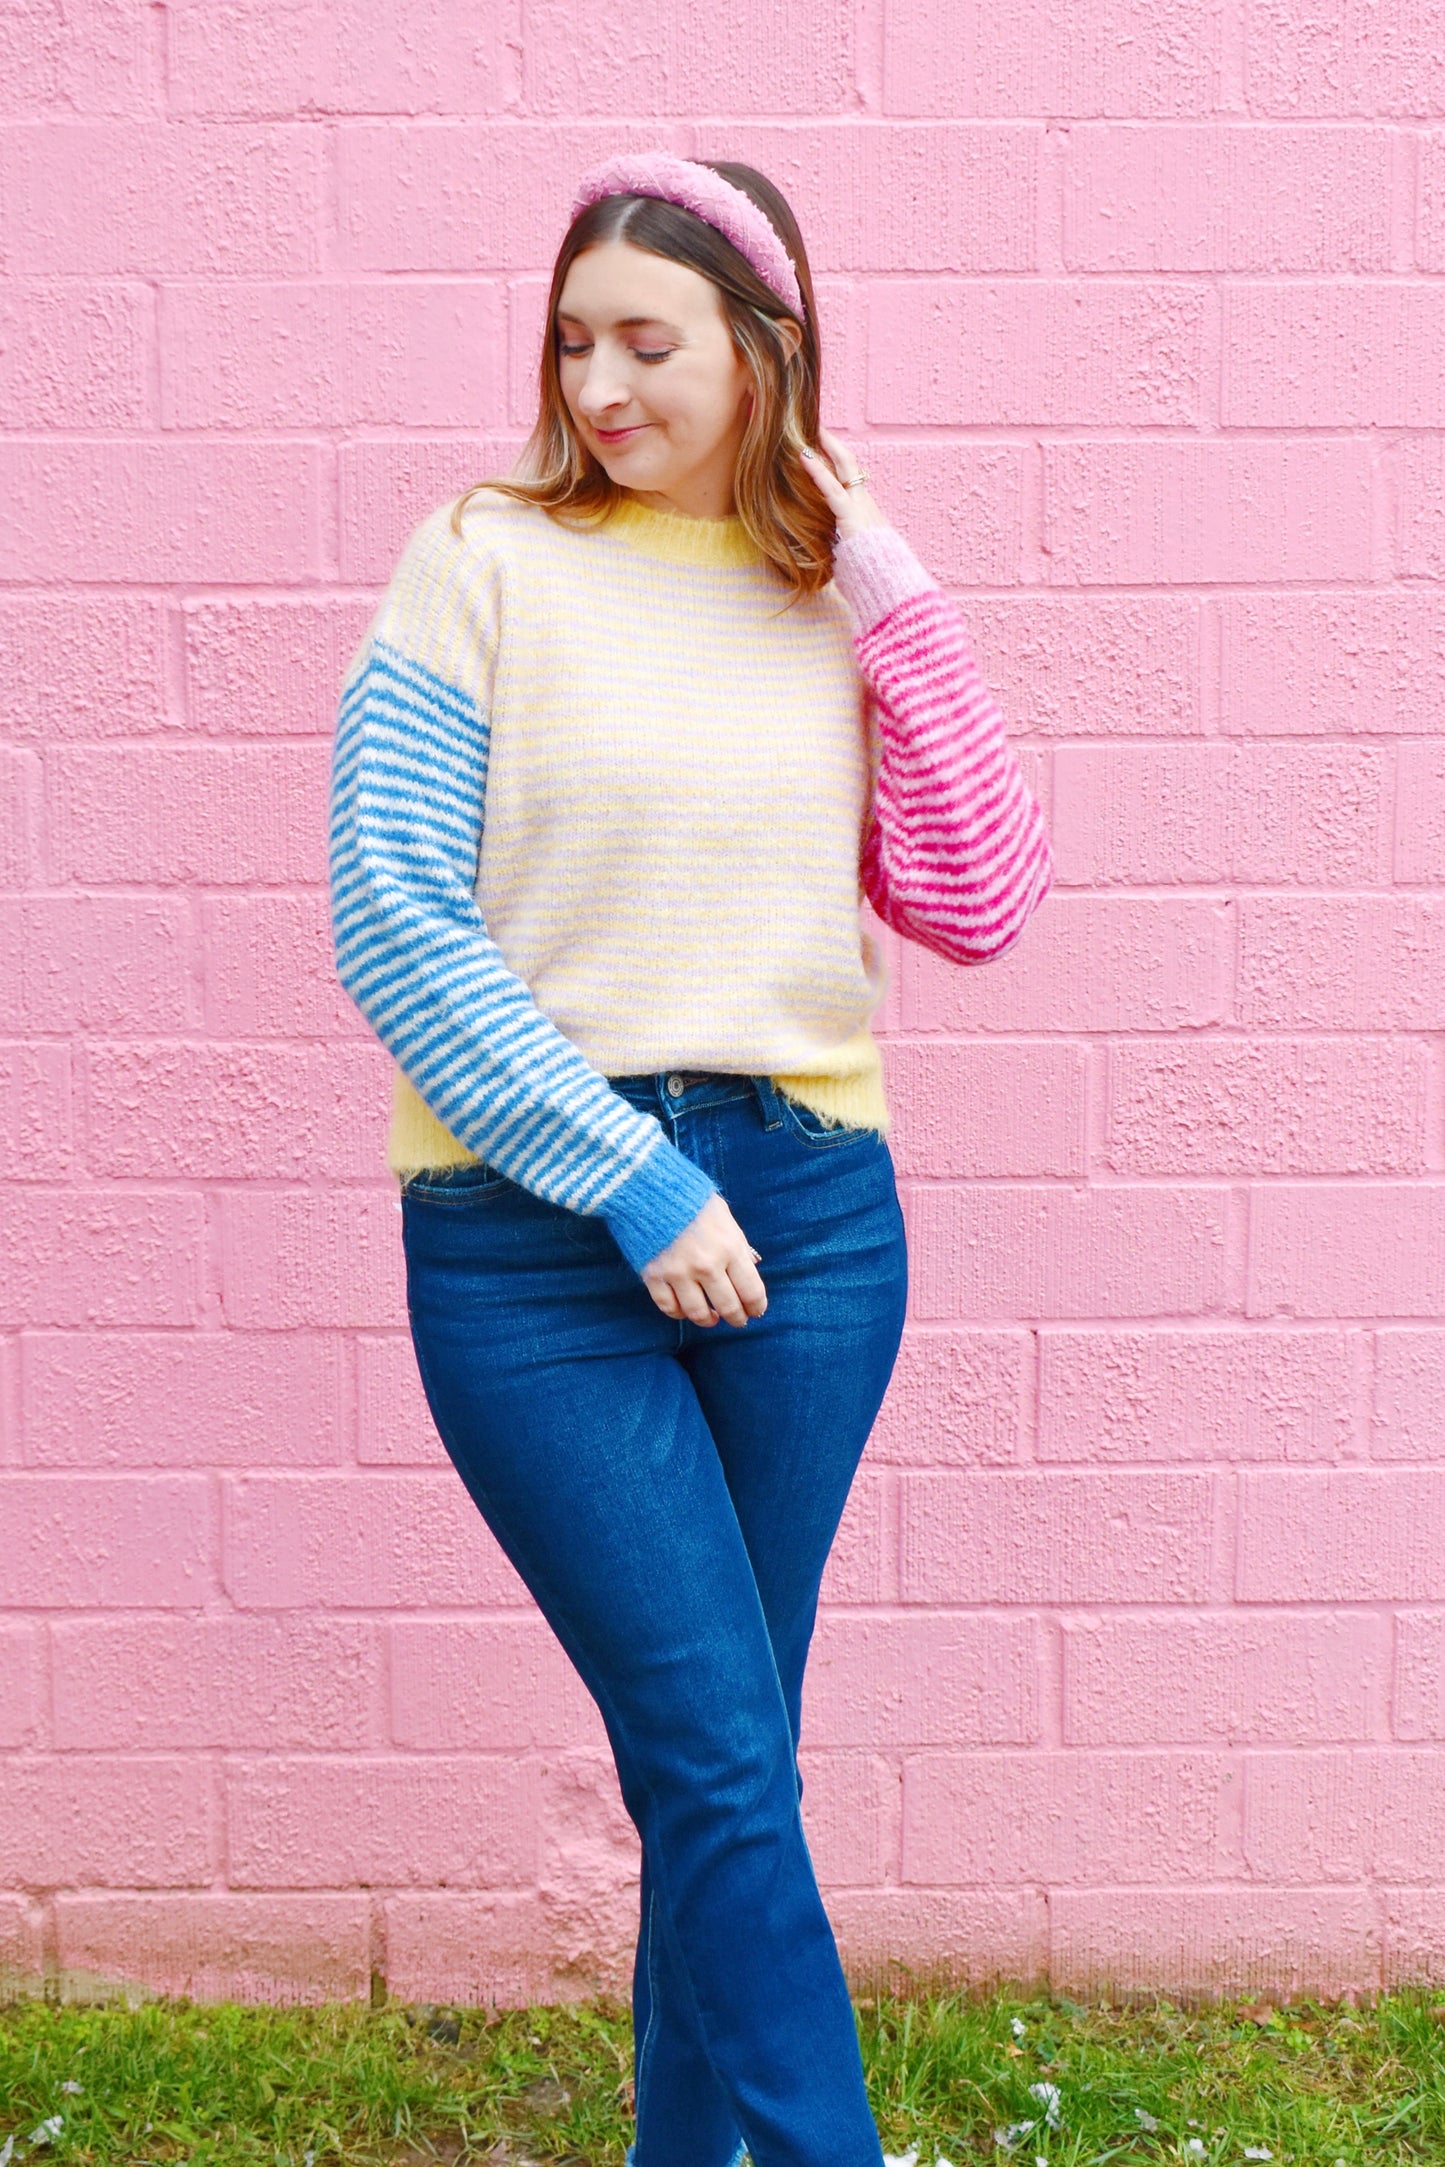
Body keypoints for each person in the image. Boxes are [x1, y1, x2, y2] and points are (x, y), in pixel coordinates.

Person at [328, 151, 1051, 2167]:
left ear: (765, 352)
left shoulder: (824, 591)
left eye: (650, 341)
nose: (603, 385)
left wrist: (892, 591)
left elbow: (979, 900)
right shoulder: (479, 560)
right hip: (542, 1241)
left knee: (716, 1766)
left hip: (810, 1221)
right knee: (722, 1760)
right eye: (576, 340)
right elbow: (392, 909)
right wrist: (626, 1178)